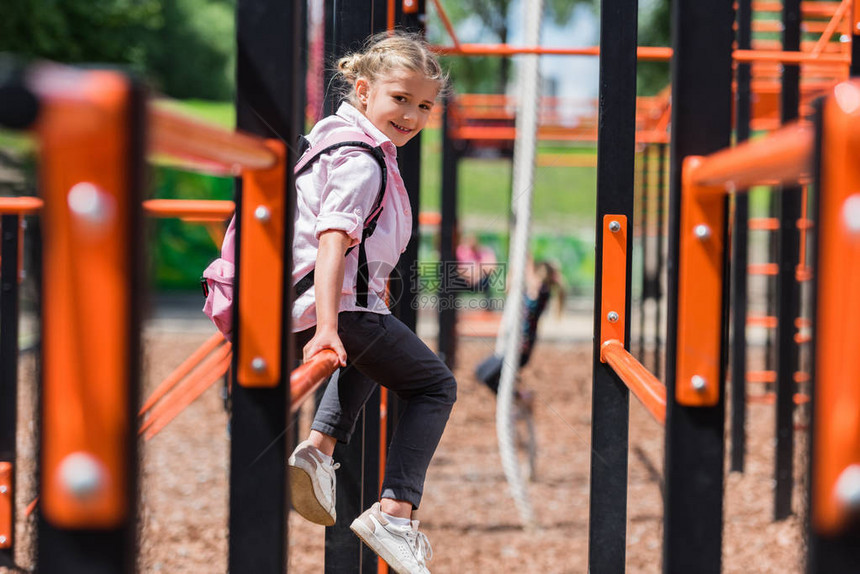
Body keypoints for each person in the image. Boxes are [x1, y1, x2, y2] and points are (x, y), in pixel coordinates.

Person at [287, 33, 455, 574]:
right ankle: (395, 512)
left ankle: (318, 449)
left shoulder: (335, 141)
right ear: (363, 91)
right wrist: (328, 328)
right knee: (434, 385)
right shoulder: (363, 161)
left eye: (424, 105)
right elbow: (332, 238)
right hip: (332, 306)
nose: (411, 114)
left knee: (374, 348)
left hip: (331, 303)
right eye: (400, 98)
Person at [474, 258, 565, 398]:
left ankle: (520, 397)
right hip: (514, 346)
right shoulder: (532, 293)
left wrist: (525, 256)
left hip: (520, 349)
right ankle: (520, 396)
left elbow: (529, 274)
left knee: (485, 374)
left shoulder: (540, 292)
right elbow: (509, 287)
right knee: (482, 372)